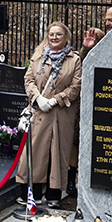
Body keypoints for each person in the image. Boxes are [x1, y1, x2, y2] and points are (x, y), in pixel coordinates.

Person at [16, 22, 82, 210]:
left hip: (62, 113)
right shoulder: (38, 56)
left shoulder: (74, 60)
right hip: (40, 112)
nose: (54, 37)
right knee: (35, 153)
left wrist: (56, 100)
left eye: (59, 34)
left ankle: (54, 194)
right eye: (52, 34)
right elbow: (29, 79)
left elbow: (76, 85)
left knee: (58, 154)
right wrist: (37, 98)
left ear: (66, 37)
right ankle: (33, 193)